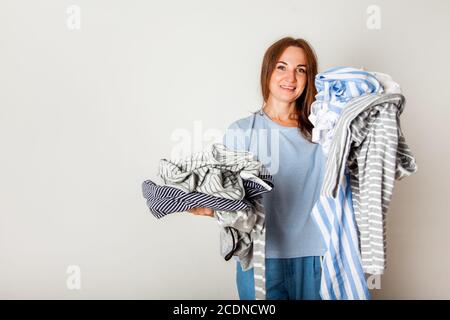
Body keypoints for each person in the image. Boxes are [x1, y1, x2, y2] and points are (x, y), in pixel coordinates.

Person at [189, 37, 326, 300]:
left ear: (309, 78)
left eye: (301, 70)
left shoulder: (323, 133)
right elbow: (229, 199)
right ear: (268, 72)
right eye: (282, 67)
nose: (291, 77)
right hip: (260, 257)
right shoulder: (241, 132)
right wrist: (210, 208)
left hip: (315, 256)